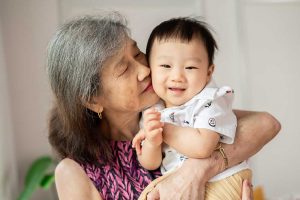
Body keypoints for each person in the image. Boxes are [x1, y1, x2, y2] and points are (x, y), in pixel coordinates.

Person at [46, 13, 280, 200]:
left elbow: (267, 124)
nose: (146, 70)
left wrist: (195, 173)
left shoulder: (172, 111)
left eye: (138, 53)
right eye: (124, 69)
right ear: (93, 99)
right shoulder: (76, 172)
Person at [132, 18, 251, 199]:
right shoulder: (153, 109)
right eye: (165, 66)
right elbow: (151, 163)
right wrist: (152, 142)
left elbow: (203, 147)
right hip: (182, 183)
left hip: (222, 181)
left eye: (190, 67)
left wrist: (163, 129)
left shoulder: (210, 101)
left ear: (208, 72)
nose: (177, 76)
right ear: (150, 68)